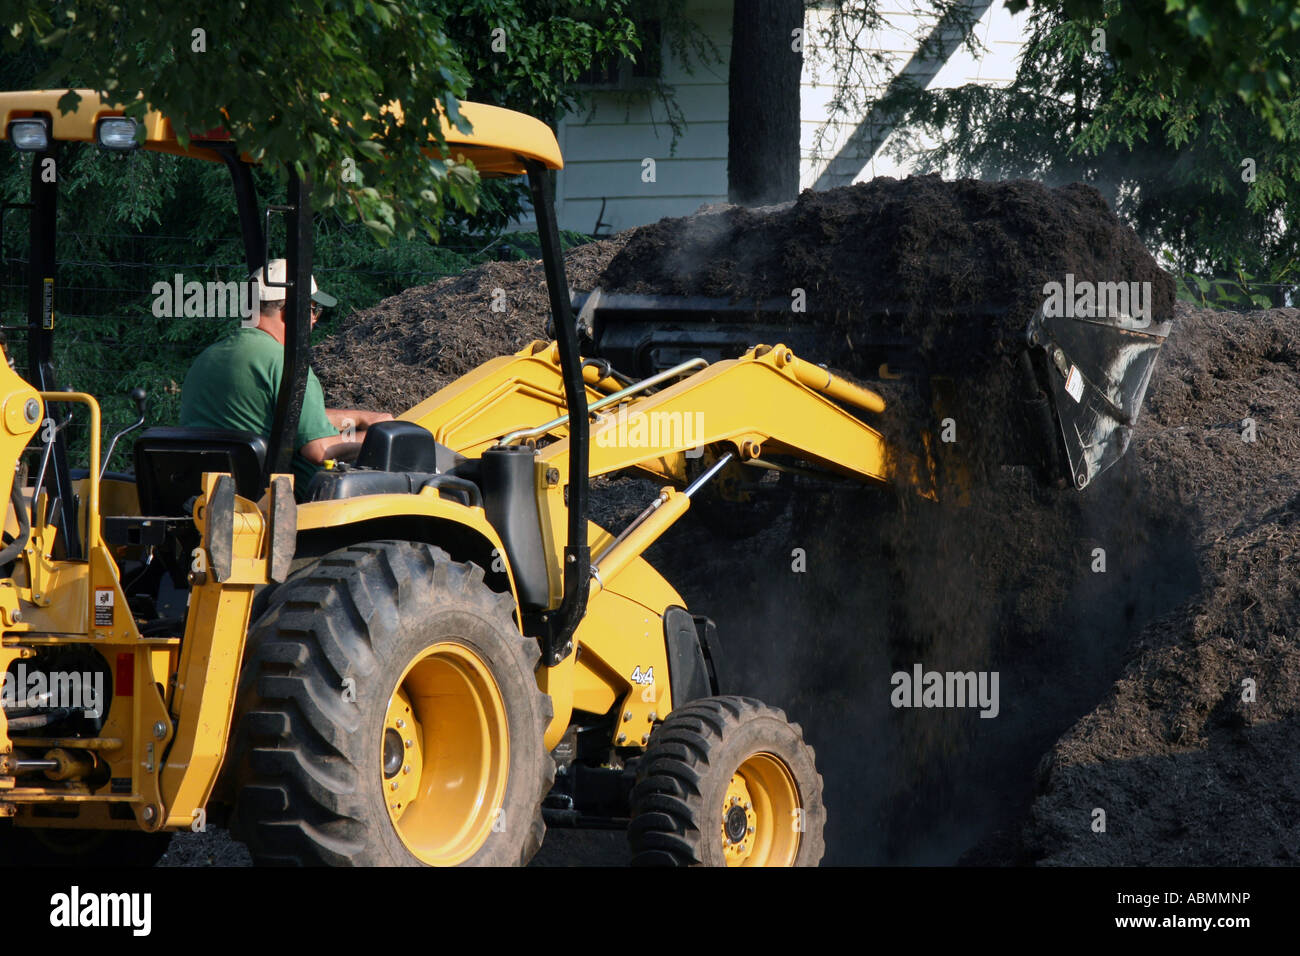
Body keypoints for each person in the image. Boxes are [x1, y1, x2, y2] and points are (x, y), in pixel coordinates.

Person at [180, 258, 392, 498]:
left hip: (212, 495)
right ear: (291, 312)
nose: (314, 320)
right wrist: (379, 436)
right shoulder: (287, 366)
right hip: (278, 503)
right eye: (313, 310)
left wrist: (359, 418)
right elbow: (318, 450)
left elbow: (280, 416)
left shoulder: (207, 359)